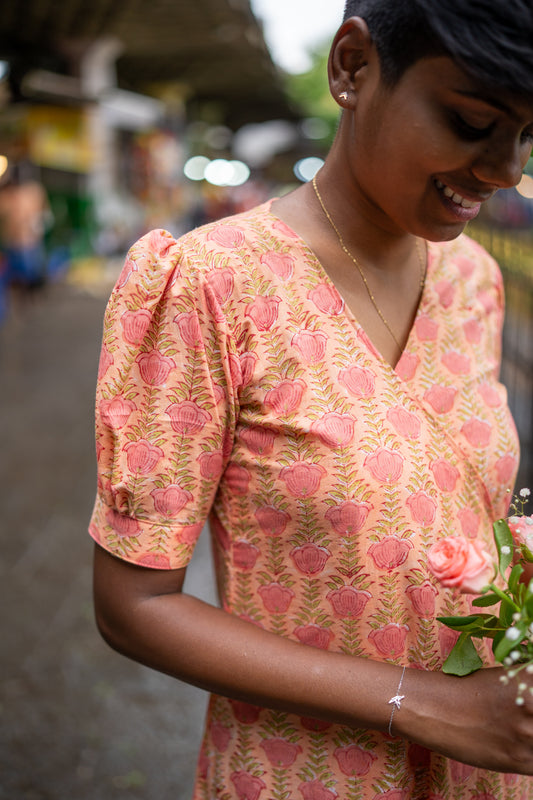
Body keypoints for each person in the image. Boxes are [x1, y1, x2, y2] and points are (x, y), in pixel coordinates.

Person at [89, 1, 533, 797]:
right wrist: (424, 704)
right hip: (308, 772)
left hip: (485, 772)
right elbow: (135, 605)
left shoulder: (474, 280)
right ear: (352, 67)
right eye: (471, 122)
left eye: (528, 138)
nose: (503, 171)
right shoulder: (212, 285)